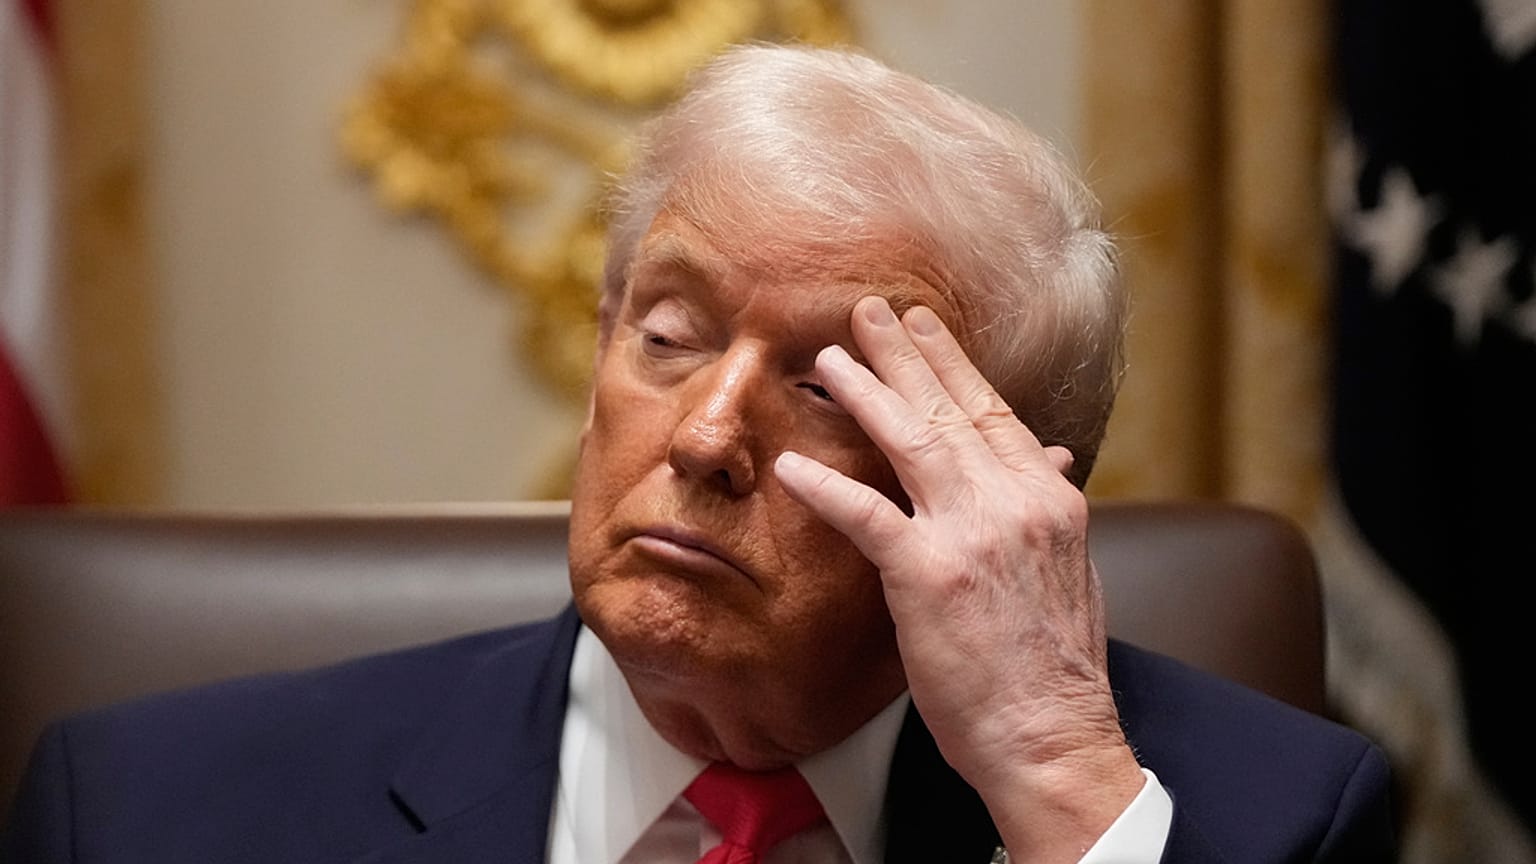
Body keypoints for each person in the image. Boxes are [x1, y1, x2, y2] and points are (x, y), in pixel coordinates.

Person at [1, 44, 1393, 863]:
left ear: (1002, 492)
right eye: (667, 336)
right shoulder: (148, 812)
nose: (709, 432)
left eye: (833, 384)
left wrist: (1054, 784)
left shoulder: (1269, 822)